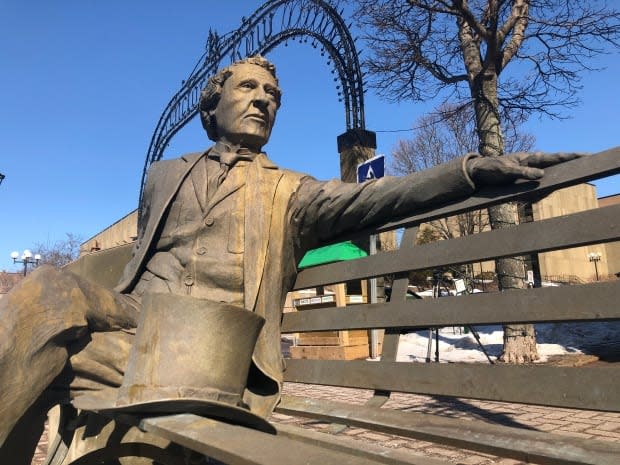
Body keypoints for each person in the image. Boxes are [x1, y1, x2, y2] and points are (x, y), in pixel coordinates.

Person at [0, 55, 578, 460]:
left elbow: (382, 196)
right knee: (44, 298)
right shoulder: (163, 176)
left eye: (272, 95)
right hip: (135, 324)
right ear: (213, 105)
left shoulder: (291, 193)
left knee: (36, 356)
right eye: (248, 90)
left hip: (208, 345)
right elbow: (139, 255)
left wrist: (471, 171)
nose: (263, 101)